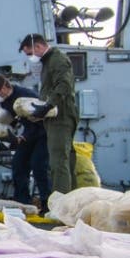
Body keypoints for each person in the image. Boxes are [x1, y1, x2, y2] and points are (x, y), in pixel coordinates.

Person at [25, 32, 78, 194]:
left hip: (59, 116)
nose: (29, 57)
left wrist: (48, 105)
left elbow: (64, 84)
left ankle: (60, 203)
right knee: (66, 159)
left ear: (39, 46)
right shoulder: (49, 61)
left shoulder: (57, 59)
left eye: (29, 53)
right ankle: (72, 199)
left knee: (58, 161)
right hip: (55, 115)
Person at [0, 74, 50, 210]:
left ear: (4, 88)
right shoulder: (5, 100)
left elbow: (38, 119)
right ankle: (22, 202)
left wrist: (24, 136)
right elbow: (14, 118)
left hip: (43, 132)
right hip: (28, 133)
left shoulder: (26, 95)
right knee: (18, 165)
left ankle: (47, 204)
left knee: (39, 166)